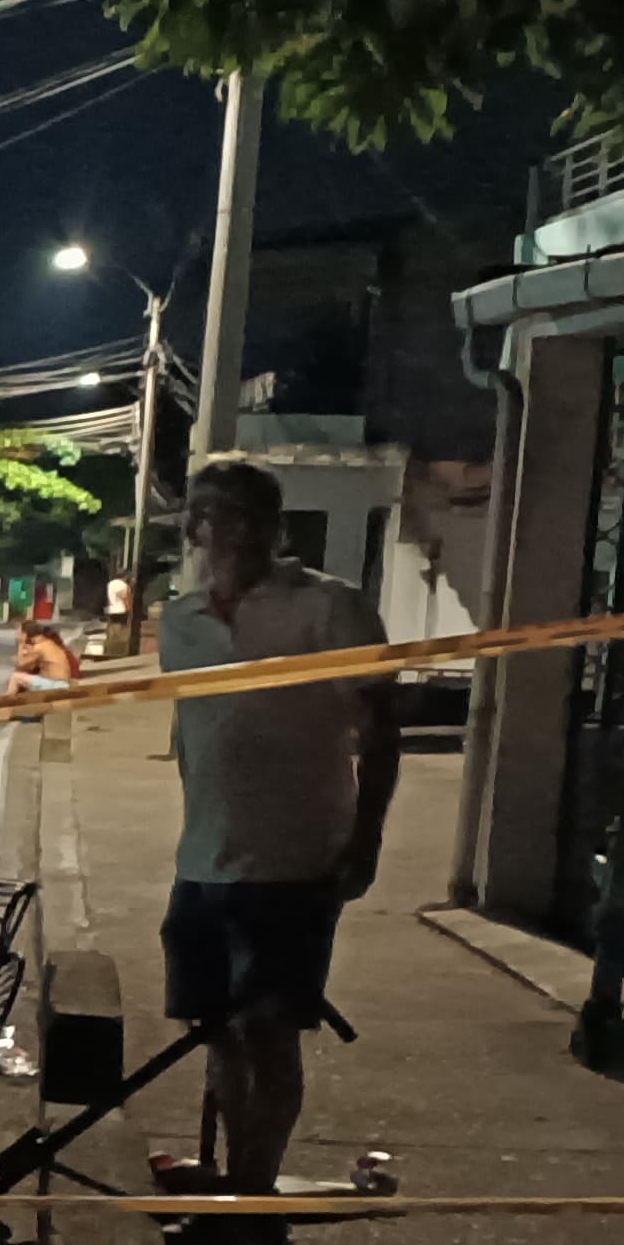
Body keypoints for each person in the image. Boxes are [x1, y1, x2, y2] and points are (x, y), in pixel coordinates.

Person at [160, 457, 396, 1203]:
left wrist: (366, 841)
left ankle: (252, 1194)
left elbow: (382, 731)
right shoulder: (181, 620)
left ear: (273, 526)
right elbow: (192, 733)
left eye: (236, 511)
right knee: (214, 1031)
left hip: (294, 864)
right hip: (202, 862)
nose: (217, 526)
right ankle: (238, 1178)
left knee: (270, 1033)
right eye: (204, 512)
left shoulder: (330, 609)